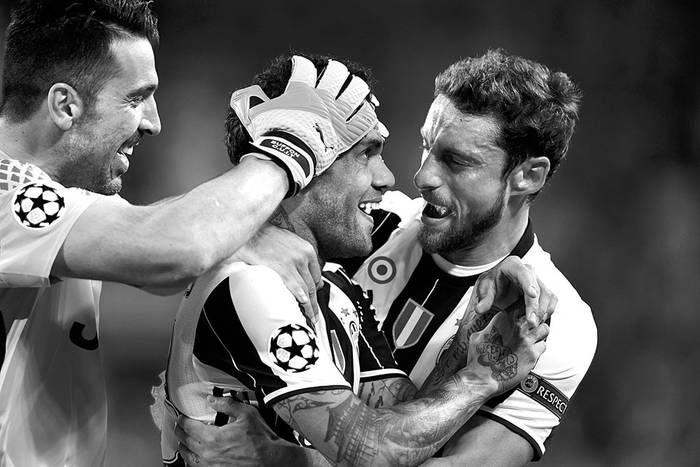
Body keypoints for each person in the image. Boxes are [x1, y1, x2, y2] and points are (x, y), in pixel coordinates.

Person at [175, 50, 597, 466]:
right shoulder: (368, 228)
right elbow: (172, 231)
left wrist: (284, 460)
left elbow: (402, 440)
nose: (421, 177)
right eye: (426, 147)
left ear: (528, 175)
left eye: (456, 161)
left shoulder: (556, 324)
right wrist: (252, 230)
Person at [0, 1, 372, 465]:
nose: (153, 123)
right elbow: (174, 250)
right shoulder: (4, 192)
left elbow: (152, 237)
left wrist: (246, 237)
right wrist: (289, 150)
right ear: (65, 105)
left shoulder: (58, 201)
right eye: (135, 98)